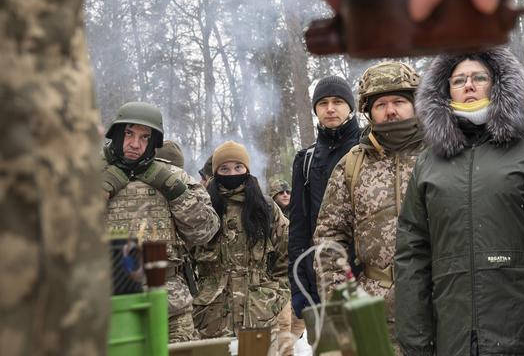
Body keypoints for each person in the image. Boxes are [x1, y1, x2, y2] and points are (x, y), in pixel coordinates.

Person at [0, 0, 521, 352]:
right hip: (131, 296)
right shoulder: (332, 164)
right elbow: (313, 235)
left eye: (348, 103)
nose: (347, 110)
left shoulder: (431, 150)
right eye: (362, 103)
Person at [396, 48, 524, 355]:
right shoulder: (429, 162)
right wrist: (415, 336)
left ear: (499, 83)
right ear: (444, 90)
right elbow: (412, 253)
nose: (469, 85)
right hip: (457, 333)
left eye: (479, 77)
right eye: (458, 80)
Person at [313, 62, 424, 353]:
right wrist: (340, 298)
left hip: (444, 305)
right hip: (376, 310)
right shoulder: (352, 164)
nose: (391, 111)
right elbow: (329, 237)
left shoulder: (445, 153)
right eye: (381, 104)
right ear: (368, 111)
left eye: (399, 102)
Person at [101, 103, 220, 342]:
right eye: (129, 134)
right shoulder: (85, 173)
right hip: (109, 303)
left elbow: (206, 232)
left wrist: (174, 191)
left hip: (170, 305)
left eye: (145, 137)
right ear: (116, 133)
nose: (135, 144)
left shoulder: (174, 177)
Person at [193, 140, 290, 337]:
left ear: (247, 168)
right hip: (212, 320)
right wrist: (197, 298)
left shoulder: (266, 208)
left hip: (260, 316)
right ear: (215, 172)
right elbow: (185, 258)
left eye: (238, 167)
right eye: (224, 168)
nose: (232, 174)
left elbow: (288, 255)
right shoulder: (201, 208)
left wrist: (277, 296)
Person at [289, 76, 361, 313]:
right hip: (322, 280)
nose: (330, 109)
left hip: (369, 277)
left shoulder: (370, 148)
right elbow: (298, 228)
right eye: (323, 103)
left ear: (350, 106)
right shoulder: (305, 160)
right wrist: (299, 287)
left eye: (338, 101)